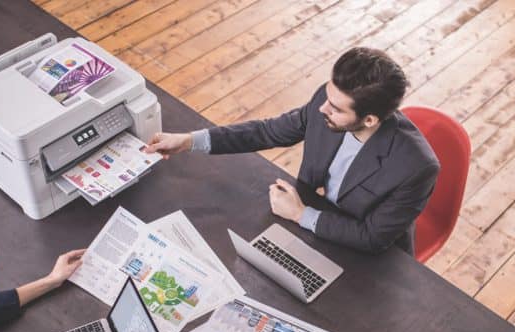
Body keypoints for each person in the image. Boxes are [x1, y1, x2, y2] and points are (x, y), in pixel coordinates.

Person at [145, 47, 440, 255]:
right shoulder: (326, 103)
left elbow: (373, 237)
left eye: (335, 109)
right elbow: (266, 131)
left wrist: (301, 214)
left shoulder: (417, 167)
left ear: (370, 120)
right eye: (327, 96)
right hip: (313, 222)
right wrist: (188, 140)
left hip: (365, 254)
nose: (322, 109)